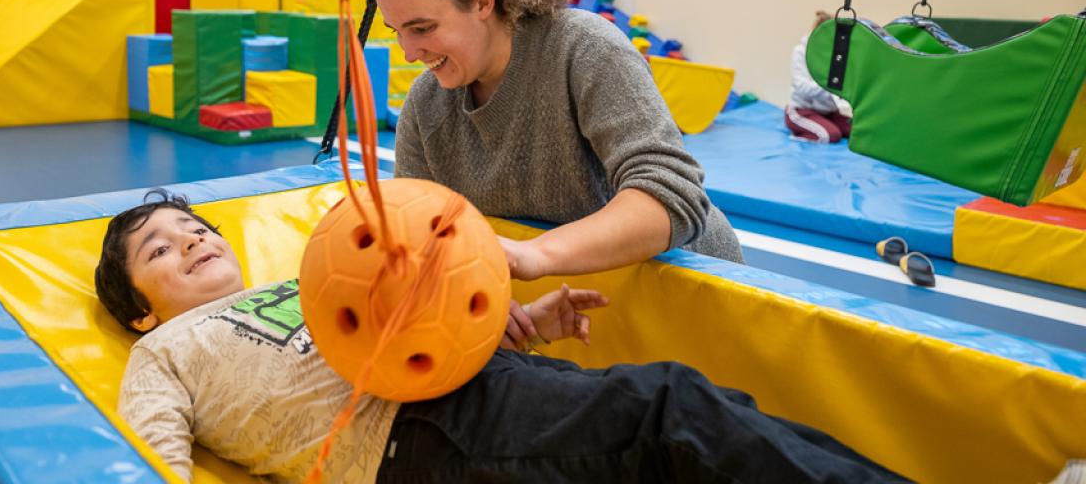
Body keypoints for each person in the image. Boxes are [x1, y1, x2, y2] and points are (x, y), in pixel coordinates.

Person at [96, 192, 905, 483]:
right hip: (403, 439)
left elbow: (422, 333)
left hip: (459, 397)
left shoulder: (308, 281)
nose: (193, 241)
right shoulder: (163, 351)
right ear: (139, 307)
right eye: (160, 249)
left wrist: (514, 332)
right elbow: (150, 454)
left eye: (195, 226)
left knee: (679, 424)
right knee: (670, 410)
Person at [369, 0, 743, 311]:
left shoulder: (583, 49)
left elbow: (670, 194)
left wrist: (536, 254)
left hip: (689, 296)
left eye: (422, 28)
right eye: (397, 31)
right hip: (578, 310)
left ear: (481, 2)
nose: (407, 52)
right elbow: (419, 230)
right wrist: (469, 295)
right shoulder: (425, 106)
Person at [786, 11, 852, 144]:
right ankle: (797, 136)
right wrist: (832, 90)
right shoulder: (801, 51)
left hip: (828, 112)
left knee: (857, 132)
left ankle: (824, 123)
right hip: (802, 110)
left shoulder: (834, 54)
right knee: (831, 135)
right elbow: (801, 87)